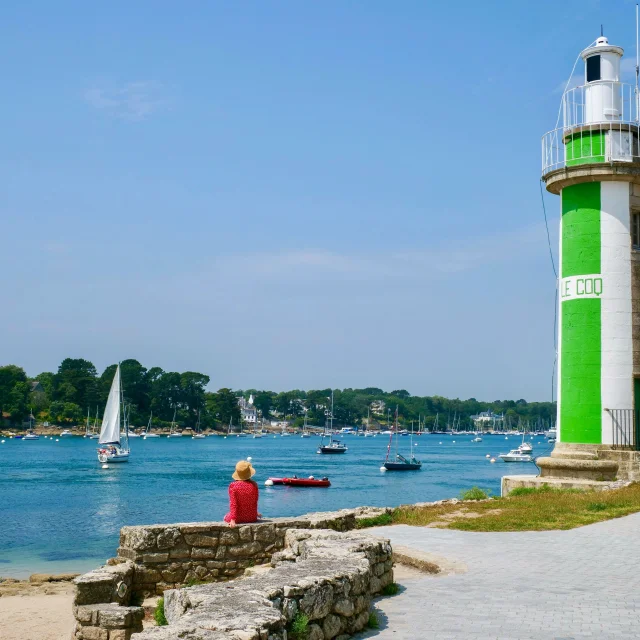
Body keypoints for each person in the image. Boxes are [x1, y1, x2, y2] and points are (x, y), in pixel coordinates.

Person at [224, 460, 261, 528]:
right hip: (252, 517)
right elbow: (254, 501)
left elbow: (233, 504)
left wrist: (233, 520)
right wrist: (255, 513)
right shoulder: (254, 485)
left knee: (225, 517)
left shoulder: (233, 486)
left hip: (238, 518)